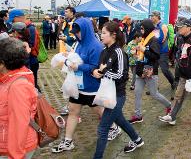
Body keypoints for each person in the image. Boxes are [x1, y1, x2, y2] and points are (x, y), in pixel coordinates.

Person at [52, 18, 105, 153]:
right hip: (78, 86)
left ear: (86, 30)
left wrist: (78, 66)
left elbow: (96, 67)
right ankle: (68, 141)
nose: (76, 35)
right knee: (73, 111)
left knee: (99, 111)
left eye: (78, 32)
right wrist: (68, 56)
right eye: (75, 33)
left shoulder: (96, 46)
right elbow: (77, 56)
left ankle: (114, 127)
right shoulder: (78, 44)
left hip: (91, 86)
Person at [92, 22, 144, 158]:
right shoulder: (103, 52)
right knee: (120, 119)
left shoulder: (119, 52)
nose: (101, 35)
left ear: (113, 35)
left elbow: (122, 75)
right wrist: (96, 72)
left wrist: (103, 72)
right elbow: (100, 69)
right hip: (107, 94)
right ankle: (137, 140)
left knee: (103, 128)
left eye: (104, 33)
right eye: (101, 32)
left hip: (118, 96)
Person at [159, 18, 191, 127]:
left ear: (189, 28)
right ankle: (172, 116)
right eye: (178, 26)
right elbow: (178, 54)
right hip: (183, 74)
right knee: (178, 95)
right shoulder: (179, 38)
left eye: (181, 26)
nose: (179, 28)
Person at [0, 38, 38, 159]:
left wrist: (16, 155)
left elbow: (19, 124)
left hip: (13, 149)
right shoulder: (10, 76)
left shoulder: (18, 86)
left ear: (2, 63)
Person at [128, 19, 171, 124]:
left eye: (142, 28)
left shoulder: (153, 40)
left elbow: (155, 56)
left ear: (147, 28)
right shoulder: (143, 39)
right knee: (137, 93)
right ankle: (138, 116)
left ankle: (170, 106)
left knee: (154, 94)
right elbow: (142, 54)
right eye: (140, 28)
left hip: (150, 71)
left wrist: (143, 50)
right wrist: (137, 51)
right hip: (140, 71)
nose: (141, 30)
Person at [8, 9, 41, 92]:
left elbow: (31, 45)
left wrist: (17, 41)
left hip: (31, 61)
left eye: (13, 20)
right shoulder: (25, 27)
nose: (12, 22)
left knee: (32, 85)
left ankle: (37, 102)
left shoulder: (30, 28)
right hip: (27, 61)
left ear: (19, 18)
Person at [150, 11, 175, 90]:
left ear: (157, 16)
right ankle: (154, 87)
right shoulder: (155, 26)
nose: (151, 18)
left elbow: (162, 39)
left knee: (164, 70)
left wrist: (153, 40)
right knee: (154, 69)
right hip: (156, 51)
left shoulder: (162, 26)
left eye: (152, 16)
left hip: (162, 52)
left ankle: (173, 82)